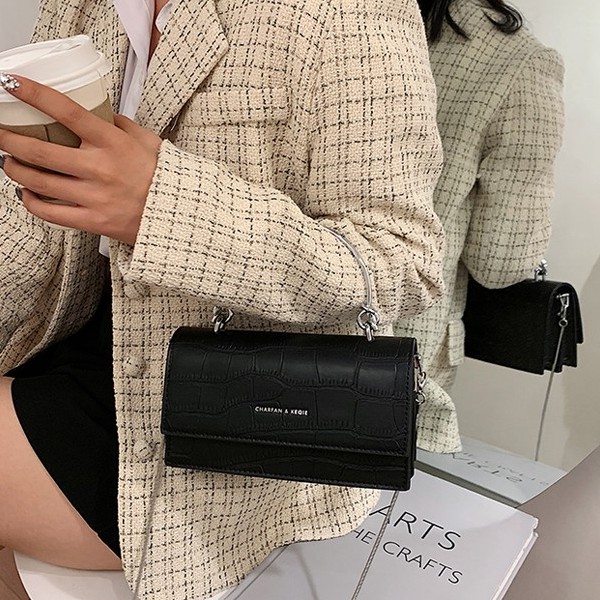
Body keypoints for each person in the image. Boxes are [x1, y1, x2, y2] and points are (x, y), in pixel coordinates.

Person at [0, 0, 444, 598]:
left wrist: (164, 205)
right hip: (67, 342)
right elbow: (37, 225)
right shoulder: (82, 5)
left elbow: (402, 261)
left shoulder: (349, 11)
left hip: (224, 422)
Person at [394, 0, 565, 453]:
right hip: (404, 348)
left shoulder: (351, 18)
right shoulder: (519, 63)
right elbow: (500, 261)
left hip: (278, 324)